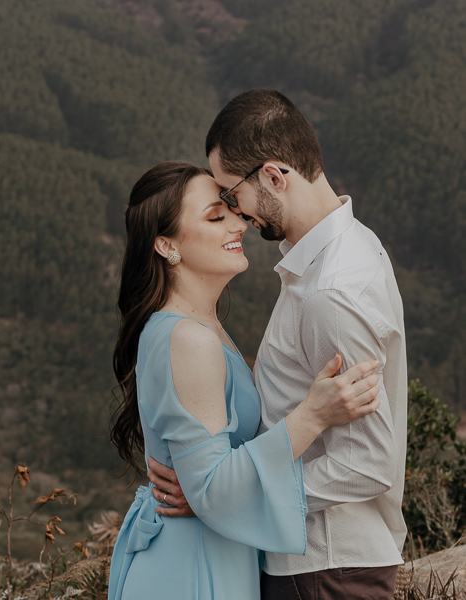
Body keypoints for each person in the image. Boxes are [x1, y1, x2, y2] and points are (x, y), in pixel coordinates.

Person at [148, 89, 408, 599]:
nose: (236, 213)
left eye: (231, 193)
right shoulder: (339, 253)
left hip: (323, 566)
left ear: (272, 176)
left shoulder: (332, 291)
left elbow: (367, 463)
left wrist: (227, 499)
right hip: (318, 564)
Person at [107, 160, 382, 600]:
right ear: (166, 246)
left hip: (206, 551)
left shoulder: (198, 327)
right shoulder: (189, 338)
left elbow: (208, 486)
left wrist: (205, 494)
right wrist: (312, 416)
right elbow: (214, 488)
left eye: (232, 210)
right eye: (216, 217)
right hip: (192, 570)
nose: (238, 223)